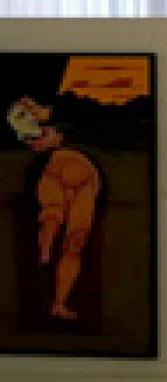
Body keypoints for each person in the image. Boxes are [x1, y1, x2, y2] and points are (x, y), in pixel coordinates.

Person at [8, 96, 101, 321]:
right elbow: (52, 210)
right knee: (62, 238)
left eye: (37, 136)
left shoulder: (68, 157)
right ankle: (56, 302)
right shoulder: (52, 165)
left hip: (77, 182)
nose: (31, 142)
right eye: (29, 138)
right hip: (65, 182)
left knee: (72, 242)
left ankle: (58, 302)